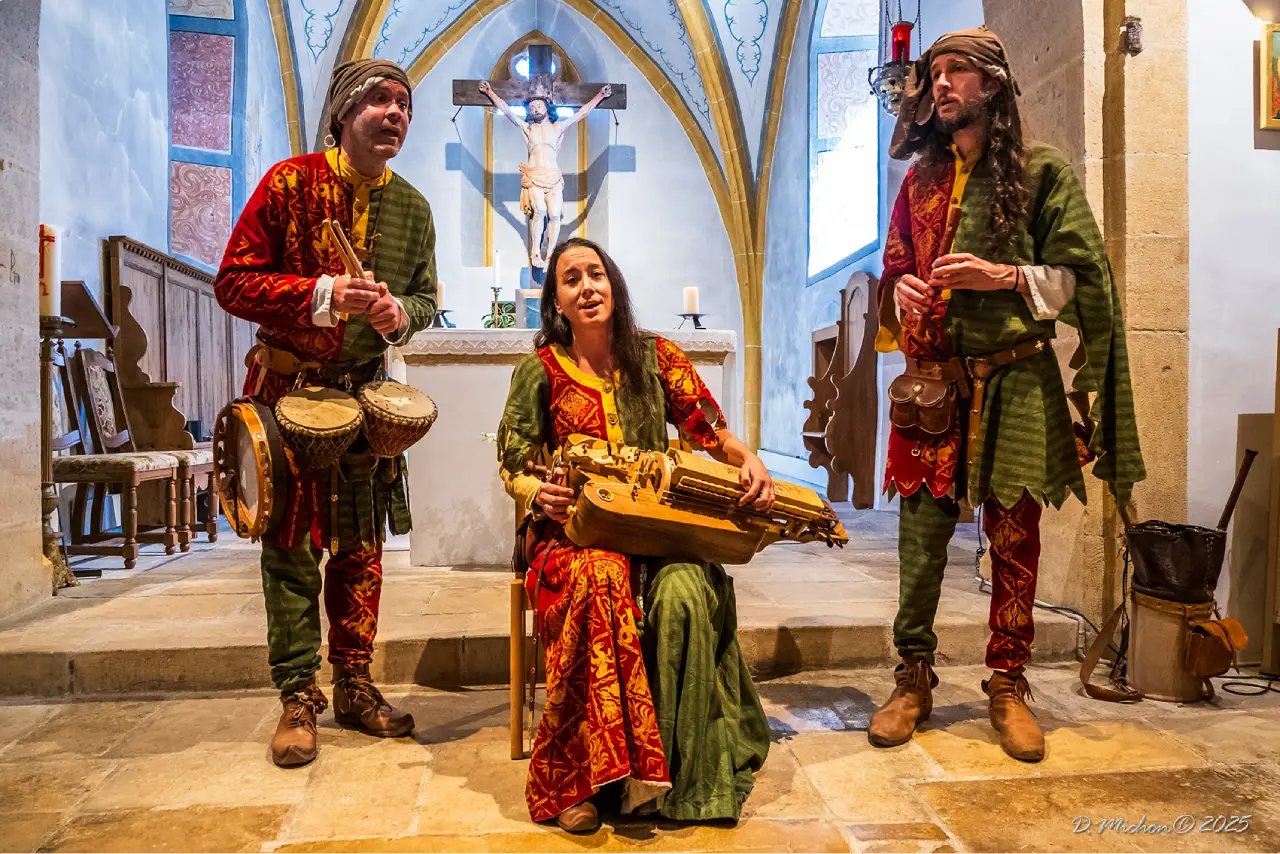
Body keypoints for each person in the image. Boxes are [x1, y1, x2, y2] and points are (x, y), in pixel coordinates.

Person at [869, 27, 1145, 762]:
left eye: (957, 71)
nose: (941, 84)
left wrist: (1005, 277)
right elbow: (892, 265)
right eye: (934, 72)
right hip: (933, 385)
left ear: (992, 85)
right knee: (921, 538)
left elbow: (1082, 277)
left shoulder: (1043, 172)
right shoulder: (919, 182)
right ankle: (913, 676)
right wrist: (908, 294)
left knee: (1016, 537)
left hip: (1017, 376)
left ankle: (1008, 682)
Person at [496, 237, 771, 832]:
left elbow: (708, 428)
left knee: (684, 592)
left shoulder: (656, 358)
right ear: (557, 303)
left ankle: (680, 776)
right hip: (570, 534)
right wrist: (534, 491)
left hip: (656, 530)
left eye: (596, 274)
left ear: (615, 287)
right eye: (571, 280)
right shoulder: (538, 371)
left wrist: (745, 455)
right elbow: (512, 459)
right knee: (601, 576)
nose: (587, 287)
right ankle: (583, 780)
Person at [215, 59, 437, 767]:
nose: (395, 113)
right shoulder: (288, 183)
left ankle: (355, 683)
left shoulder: (414, 208)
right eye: (380, 100)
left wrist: (402, 313)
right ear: (344, 112)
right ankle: (296, 696)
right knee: (290, 551)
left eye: (404, 103)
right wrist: (319, 296)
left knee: (360, 550)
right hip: (289, 394)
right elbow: (232, 282)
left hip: (365, 401)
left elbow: (428, 301)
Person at [479, 81, 611, 268]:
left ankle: (550, 254)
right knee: (539, 210)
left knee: (555, 214)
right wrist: (490, 92)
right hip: (534, 175)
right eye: (531, 107)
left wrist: (600, 96)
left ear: (547, 108)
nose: (534, 109)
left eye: (538, 106)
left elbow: (582, 113)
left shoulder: (558, 127)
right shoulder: (527, 128)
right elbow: (507, 111)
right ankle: (535, 252)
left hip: (553, 175)